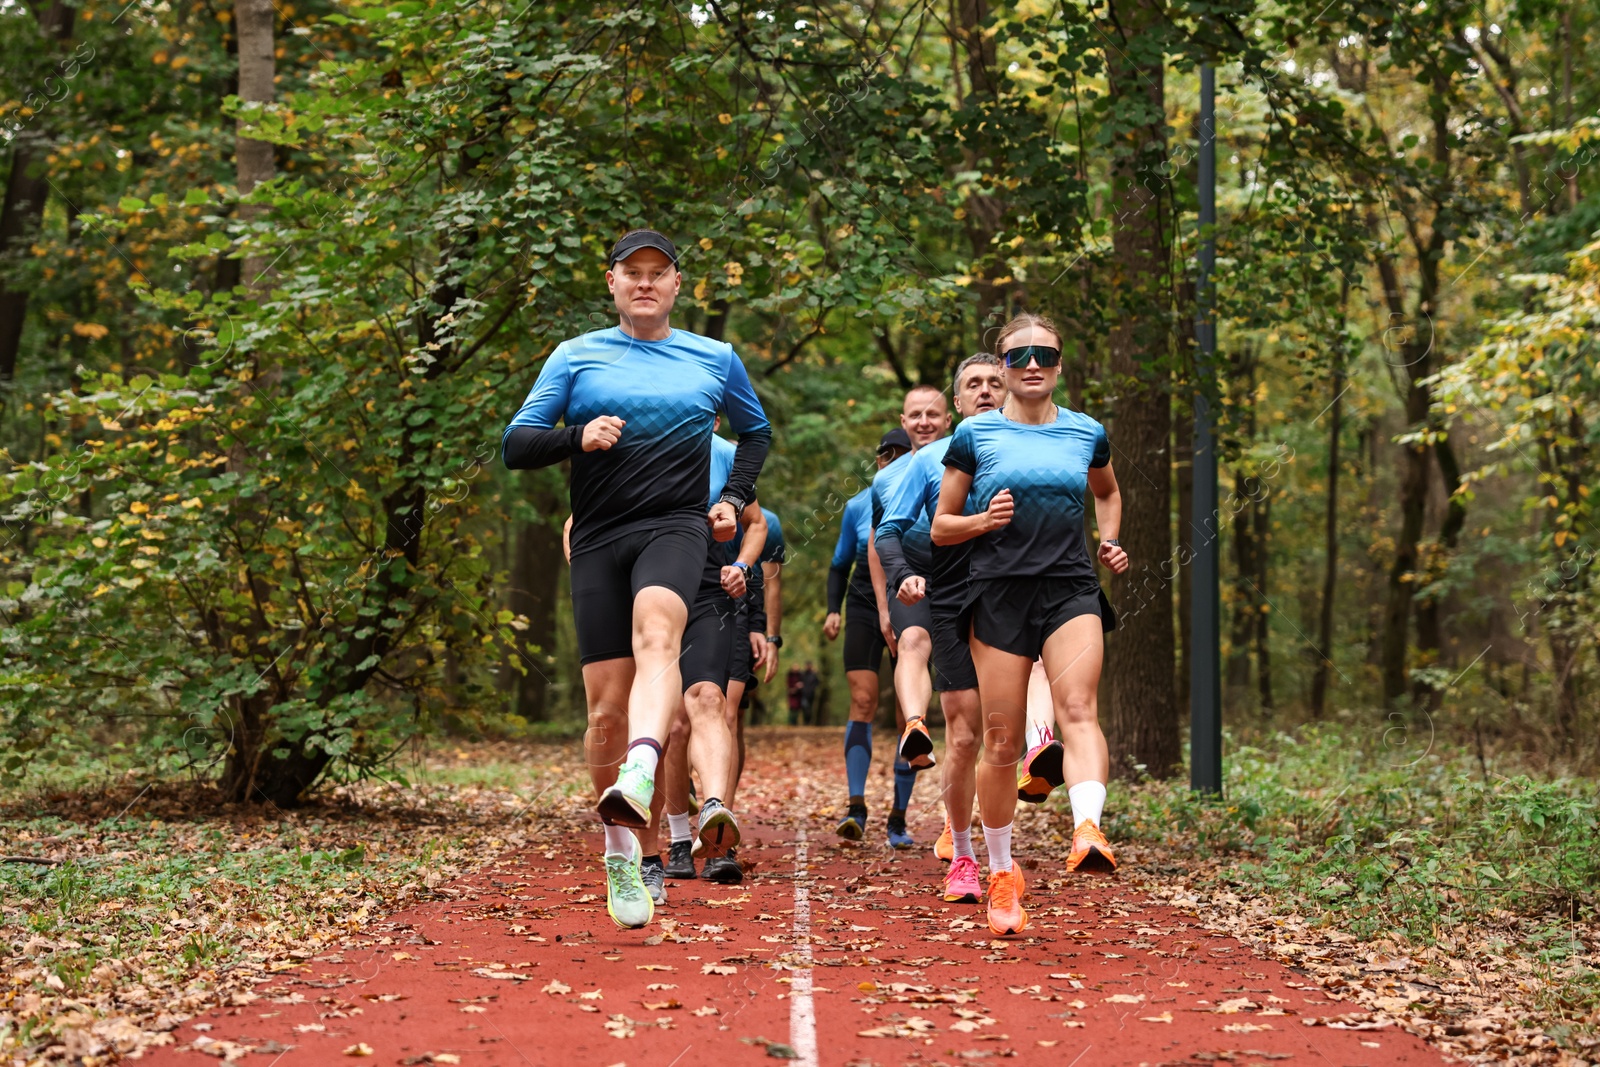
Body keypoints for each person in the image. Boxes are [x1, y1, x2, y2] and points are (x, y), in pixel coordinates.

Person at [502, 229, 771, 930]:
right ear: (613, 282)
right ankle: (625, 852)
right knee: (603, 713)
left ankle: (645, 764)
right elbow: (516, 443)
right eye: (632, 273)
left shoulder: (715, 358)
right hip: (597, 535)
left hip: (676, 526)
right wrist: (577, 435)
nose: (645, 283)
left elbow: (757, 431)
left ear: (678, 284)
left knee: (660, 634)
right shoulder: (575, 356)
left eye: (659, 273)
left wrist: (732, 498)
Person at [931, 312, 1128, 937]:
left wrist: (1109, 540)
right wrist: (983, 523)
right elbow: (941, 526)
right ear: (1006, 367)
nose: (1033, 364)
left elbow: (1107, 492)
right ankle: (1000, 870)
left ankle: (1087, 827)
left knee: (1078, 710)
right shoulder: (974, 436)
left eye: (1045, 354)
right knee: (1001, 741)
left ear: (1060, 365)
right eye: (1019, 357)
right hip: (997, 595)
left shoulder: (1086, 433)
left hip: (1069, 589)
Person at [875, 354, 1010, 901]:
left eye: (993, 383)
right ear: (960, 403)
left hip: (1008, 597)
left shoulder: (1039, 447)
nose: (984, 392)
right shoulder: (926, 463)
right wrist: (901, 578)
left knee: (1003, 732)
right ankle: (962, 851)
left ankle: (1001, 852)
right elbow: (885, 533)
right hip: (944, 592)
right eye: (972, 385)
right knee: (966, 731)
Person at [865, 385, 953, 848]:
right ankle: (916, 724)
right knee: (914, 644)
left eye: (932, 414)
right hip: (910, 581)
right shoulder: (886, 479)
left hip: (966, 580)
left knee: (965, 710)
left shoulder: (965, 461)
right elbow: (879, 543)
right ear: (904, 420)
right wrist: (883, 605)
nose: (923, 422)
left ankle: (952, 821)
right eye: (915, 415)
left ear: (947, 419)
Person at [823, 429, 910, 840]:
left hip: (911, 602)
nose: (891, 461)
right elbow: (839, 564)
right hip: (861, 603)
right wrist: (831, 611)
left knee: (909, 714)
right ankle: (856, 808)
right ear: (877, 461)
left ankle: (899, 815)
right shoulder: (859, 505)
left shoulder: (930, 493)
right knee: (863, 699)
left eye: (901, 454)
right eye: (885, 455)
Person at [705, 503, 784, 882]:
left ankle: (721, 838)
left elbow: (765, 578)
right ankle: (674, 832)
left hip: (733, 614)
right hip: (678, 608)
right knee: (680, 725)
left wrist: (765, 632)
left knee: (727, 716)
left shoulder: (765, 522)